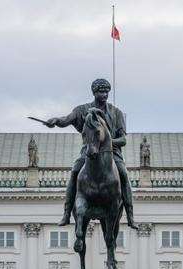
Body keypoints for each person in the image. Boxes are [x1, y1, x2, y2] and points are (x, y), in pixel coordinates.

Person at [43, 78, 134, 228]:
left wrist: (107, 142)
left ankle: (130, 215)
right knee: (74, 172)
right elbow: (66, 120)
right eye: (101, 91)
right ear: (94, 92)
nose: (104, 94)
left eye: (106, 92)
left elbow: (123, 139)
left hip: (111, 153)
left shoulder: (117, 113)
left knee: (123, 174)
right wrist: (55, 120)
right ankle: (66, 213)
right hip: (88, 152)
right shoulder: (82, 110)